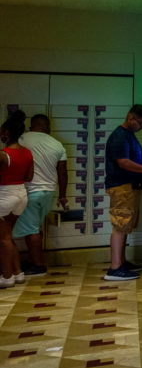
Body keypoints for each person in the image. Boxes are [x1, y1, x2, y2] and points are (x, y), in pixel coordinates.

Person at [104, 104, 142, 281]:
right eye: (140, 122)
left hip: (129, 186)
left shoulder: (128, 135)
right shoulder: (120, 136)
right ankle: (115, 268)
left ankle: (121, 262)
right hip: (122, 186)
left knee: (125, 225)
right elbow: (123, 162)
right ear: (130, 117)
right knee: (120, 224)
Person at [16, 114, 68, 277]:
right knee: (35, 228)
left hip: (30, 191)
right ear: (47, 127)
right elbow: (62, 172)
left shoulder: (22, 139)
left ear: (31, 126)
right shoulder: (57, 144)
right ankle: (34, 260)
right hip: (48, 192)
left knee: (31, 229)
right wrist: (63, 195)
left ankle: (38, 265)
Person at [0, 110, 33, 287]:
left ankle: (6, 277)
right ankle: (17, 272)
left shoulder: (3, 154)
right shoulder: (27, 153)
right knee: (8, 236)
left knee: (3, 239)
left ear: (7, 133)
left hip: (4, 196)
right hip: (21, 195)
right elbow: (29, 177)